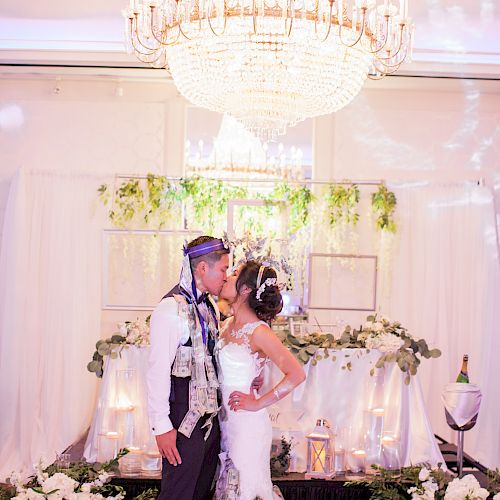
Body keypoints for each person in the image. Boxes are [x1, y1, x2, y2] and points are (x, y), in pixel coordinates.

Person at [147, 235, 230, 500]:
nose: (226, 277)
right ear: (203, 268)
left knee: (200, 493)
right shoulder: (169, 309)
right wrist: (161, 426)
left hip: (210, 422)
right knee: (177, 494)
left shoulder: (211, 307)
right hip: (181, 423)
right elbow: (158, 370)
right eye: (224, 269)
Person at [215, 261, 306, 500]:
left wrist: (257, 402)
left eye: (234, 274)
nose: (227, 277)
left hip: (247, 425)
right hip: (224, 421)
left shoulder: (260, 332)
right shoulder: (226, 325)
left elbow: (296, 374)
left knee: (242, 490)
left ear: (245, 289)